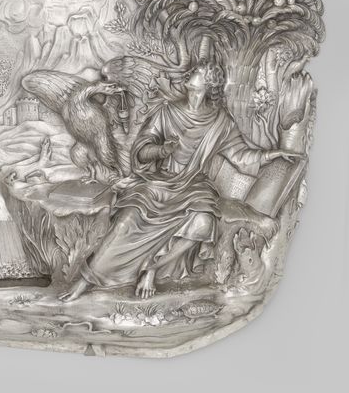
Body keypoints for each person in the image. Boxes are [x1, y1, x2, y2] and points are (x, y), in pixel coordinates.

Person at [60, 61, 299, 301]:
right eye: (192, 74)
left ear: (209, 85)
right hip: (159, 182)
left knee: (203, 223)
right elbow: (141, 151)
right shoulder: (167, 112)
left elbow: (241, 156)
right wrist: (161, 151)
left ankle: (152, 268)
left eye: (197, 75)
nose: (190, 76)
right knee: (126, 222)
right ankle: (86, 280)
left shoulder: (221, 122)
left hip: (194, 187)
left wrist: (271, 155)